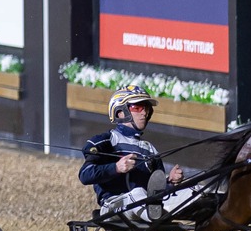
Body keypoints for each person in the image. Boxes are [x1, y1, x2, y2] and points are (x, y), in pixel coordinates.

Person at [80, 85, 193, 222]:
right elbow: (85, 175)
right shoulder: (104, 141)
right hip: (113, 206)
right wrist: (116, 167)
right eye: (137, 107)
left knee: (196, 189)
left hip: (146, 203)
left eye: (146, 108)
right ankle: (159, 214)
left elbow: (155, 190)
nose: (144, 113)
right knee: (138, 193)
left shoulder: (151, 150)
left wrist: (170, 182)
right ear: (120, 112)